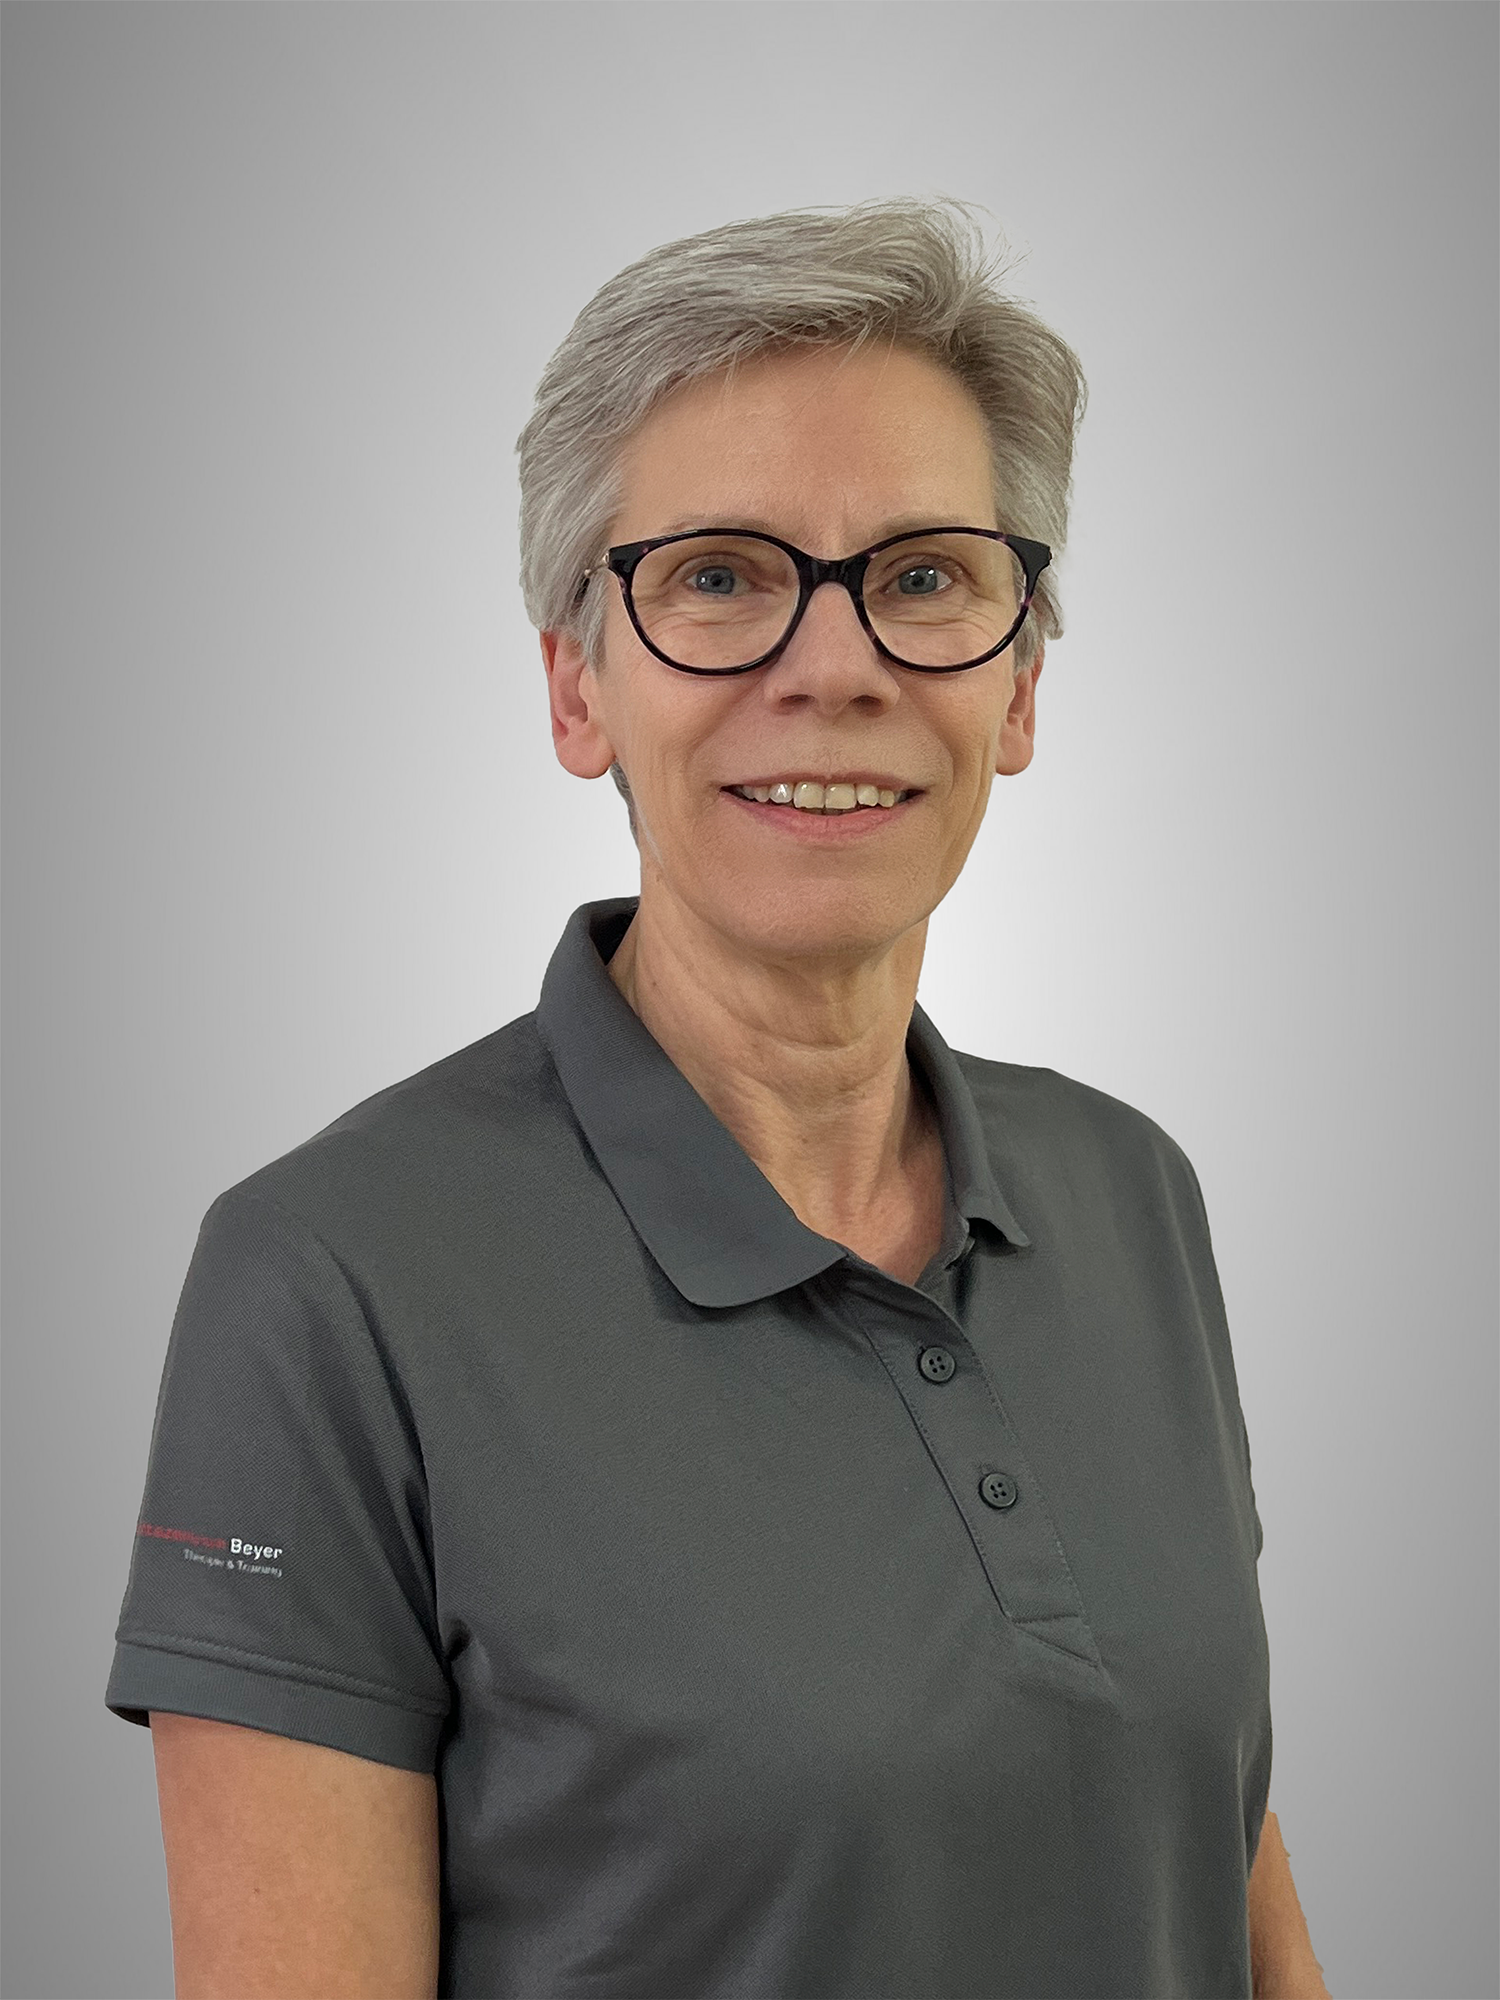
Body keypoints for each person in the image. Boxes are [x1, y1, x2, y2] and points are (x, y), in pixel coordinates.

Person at [106, 196, 1330, 1999]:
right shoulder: (329, 1277)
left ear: (1020, 686)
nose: (833, 669)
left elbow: (1219, 1855)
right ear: (575, 688)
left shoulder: (1131, 1188)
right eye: (719, 579)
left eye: (925, 578)